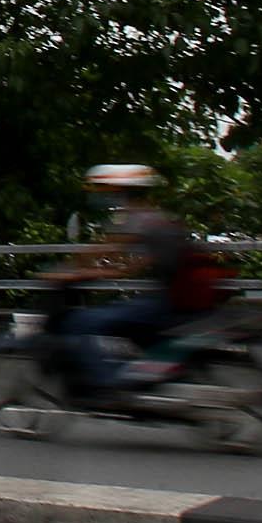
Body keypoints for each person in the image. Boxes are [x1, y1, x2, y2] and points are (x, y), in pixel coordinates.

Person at [48, 163, 205, 399]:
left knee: (79, 323)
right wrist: (96, 272)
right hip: (176, 299)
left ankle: (104, 385)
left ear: (121, 191)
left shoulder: (135, 219)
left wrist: (66, 273)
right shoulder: (155, 218)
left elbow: (102, 250)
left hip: (167, 303)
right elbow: (131, 266)